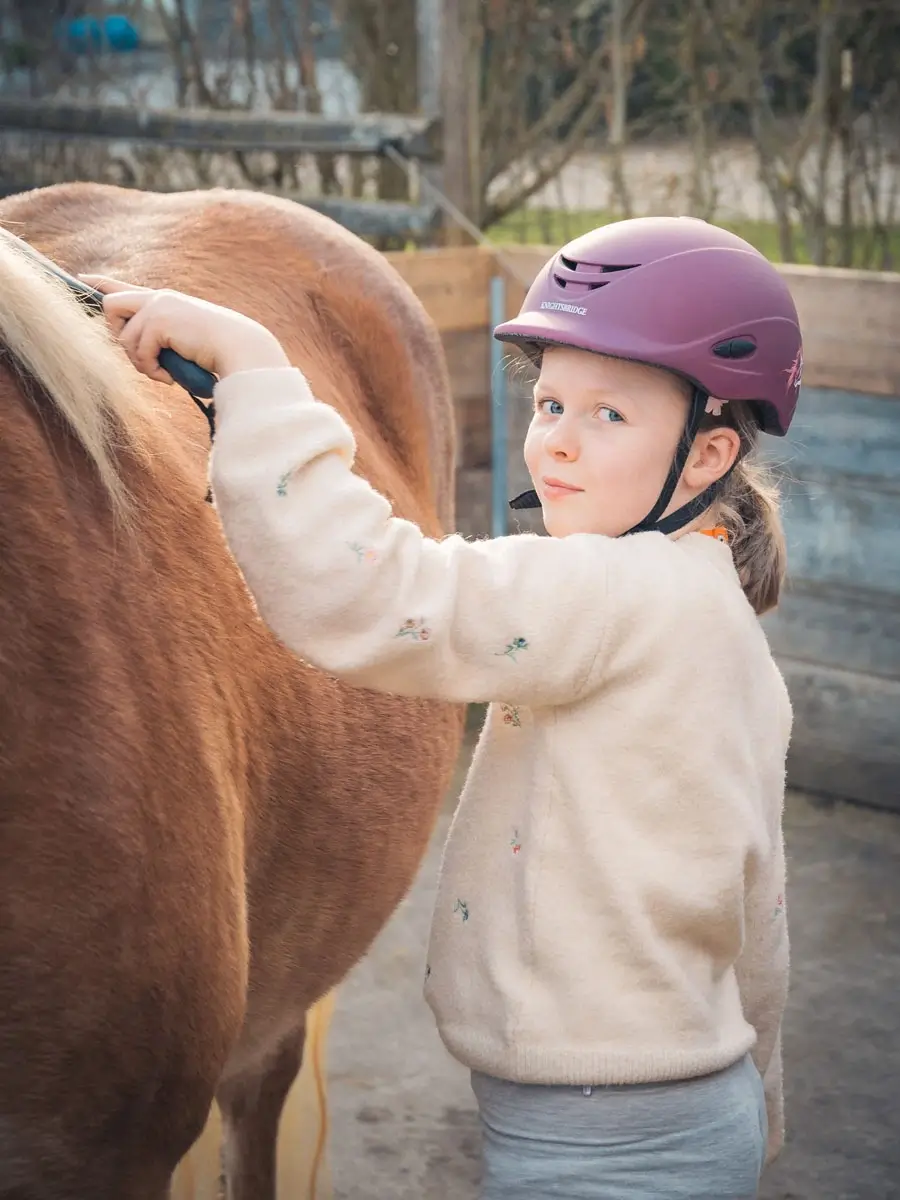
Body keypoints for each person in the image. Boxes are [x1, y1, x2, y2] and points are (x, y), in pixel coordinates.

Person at [83, 216, 798, 1200]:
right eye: (551, 403)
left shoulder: (608, 593)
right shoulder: (711, 609)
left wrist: (255, 374)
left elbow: (378, 593)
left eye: (610, 416)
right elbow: (758, 898)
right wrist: (761, 1077)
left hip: (599, 1142)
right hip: (686, 1105)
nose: (559, 444)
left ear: (710, 452)